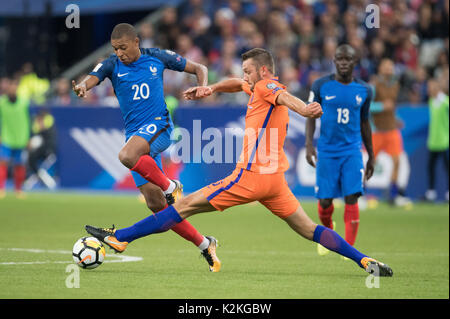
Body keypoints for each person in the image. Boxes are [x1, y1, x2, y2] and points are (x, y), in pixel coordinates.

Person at [85, 48, 393, 277]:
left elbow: (285, 97)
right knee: (309, 228)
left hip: (250, 177)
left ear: (261, 71)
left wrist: (305, 110)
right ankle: (364, 260)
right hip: (275, 181)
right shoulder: (255, 87)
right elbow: (236, 84)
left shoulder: (268, 86)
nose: (244, 76)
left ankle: (120, 238)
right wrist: (213, 88)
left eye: (247, 71)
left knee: (181, 206)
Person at [71, 23, 219, 272]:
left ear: (137, 42)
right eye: (116, 48)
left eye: (123, 48)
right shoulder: (111, 64)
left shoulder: (157, 57)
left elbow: (198, 67)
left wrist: (203, 85)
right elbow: (92, 78)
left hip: (159, 128)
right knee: (159, 207)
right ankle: (205, 244)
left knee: (126, 155)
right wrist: (83, 87)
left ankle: (171, 185)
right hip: (138, 140)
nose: (119, 53)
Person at [305, 45, 375, 256]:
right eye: (340, 59)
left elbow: (364, 122)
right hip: (326, 151)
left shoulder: (365, 90)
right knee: (325, 201)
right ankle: (329, 232)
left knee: (351, 196)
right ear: (334, 61)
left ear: (355, 62)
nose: (344, 62)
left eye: (348, 59)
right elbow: (310, 115)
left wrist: (371, 154)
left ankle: (349, 248)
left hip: (352, 150)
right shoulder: (320, 86)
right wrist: (309, 145)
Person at [370, 58, 411, 206]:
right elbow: (366, 107)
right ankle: (359, 193)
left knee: (397, 161)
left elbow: (391, 107)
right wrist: (381, 106)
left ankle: (394, 196)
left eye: (391, 66)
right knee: (369, 163)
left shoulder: (396, 85)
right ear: (380, 68)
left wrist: (396, 118)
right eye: (386, 66)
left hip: (391, 130)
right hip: (376, 131)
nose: (389, 69)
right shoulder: (374, 85)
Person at [0, 77, 30, 199]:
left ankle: (18, 190)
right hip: (6, 138)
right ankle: (1, 189)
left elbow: (29, 120)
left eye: (14, 87)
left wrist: (28, 137)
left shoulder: (24, 103)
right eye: (10, 88)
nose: (12, 90)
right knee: (3, 163)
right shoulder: (2, 103)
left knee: (20, 165)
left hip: (21, 139)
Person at [424, 78, 449, 202]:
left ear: (437, 88)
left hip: (445, 141)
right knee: (431, 168)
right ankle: (431, 193)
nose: (428, 90)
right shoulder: (431, 101)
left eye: (431, 87)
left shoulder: (446, 102)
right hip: (433, 141)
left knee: (447, 168)